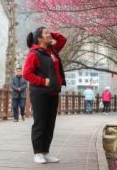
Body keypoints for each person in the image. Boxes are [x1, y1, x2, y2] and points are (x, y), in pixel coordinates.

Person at [23, 27, 67, 164]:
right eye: (46, 33)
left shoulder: (52, 50)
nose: (49, 35)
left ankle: (46, 152)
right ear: (39, 38)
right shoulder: (34, 54)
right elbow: (26, 73)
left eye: (49, 32)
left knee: (50, 124)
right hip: (40, 93)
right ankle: (37, 153)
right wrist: (43, 81)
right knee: (40, 124)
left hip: (53, 92)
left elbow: (62, 39)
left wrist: (50, 34)